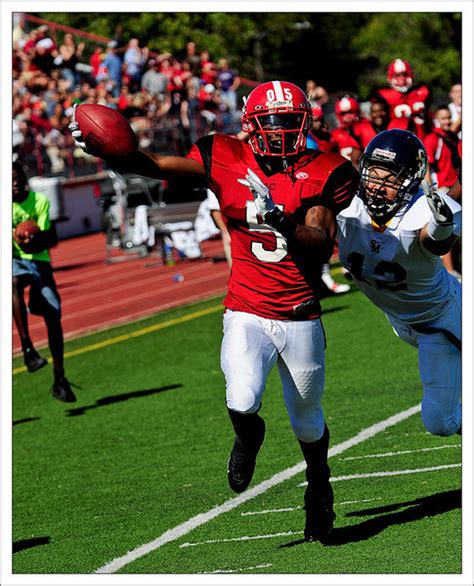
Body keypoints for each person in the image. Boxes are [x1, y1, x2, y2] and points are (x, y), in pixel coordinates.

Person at [70, 80, 359, 542]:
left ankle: (319, 485)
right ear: (251, 125)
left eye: (289, 121)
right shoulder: (224, 154)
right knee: (242, 397)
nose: (281, 131)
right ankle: (248, 438)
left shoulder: (326, 170)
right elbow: (156, 165)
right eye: (272, 122)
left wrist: (280, 218)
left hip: (300, 311)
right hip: (247, 306)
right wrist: (106, 146)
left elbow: (320, 244)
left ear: (305, 123)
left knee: (307, 418)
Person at [336, 129, 461, 437]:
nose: (378, 185)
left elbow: (434, 243)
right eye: (373, 174)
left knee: (439, 421)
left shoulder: (425, 210)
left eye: (389, 179)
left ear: (409, 182)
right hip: (402, 322)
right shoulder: (346, 206)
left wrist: (442, 226)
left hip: (443, 322)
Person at [12, 160, 76, 402]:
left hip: (38, 259)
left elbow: (47, 238)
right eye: (10, 181)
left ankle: (60, 377)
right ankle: (28, 348)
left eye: (18, 180)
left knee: (54, 315)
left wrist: (30, 240)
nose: (15, 185)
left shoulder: (40, 202)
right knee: (14, 282)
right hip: (13, 260)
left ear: (25, 180)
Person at [372, 58, 432, 141]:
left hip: (422, 139)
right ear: (390, 78)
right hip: (394, 140)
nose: (402, 78)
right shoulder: (382, 95)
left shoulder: (423, 91)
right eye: (397, 75)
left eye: (405, 74)